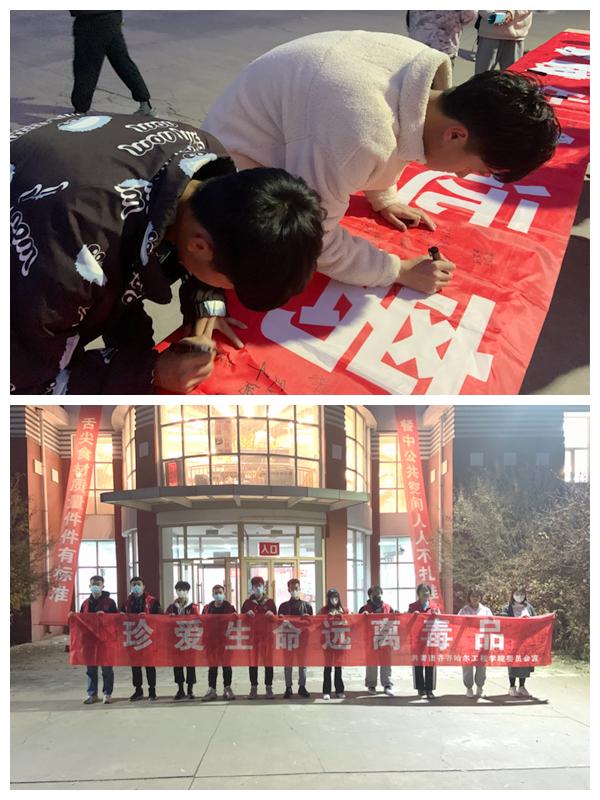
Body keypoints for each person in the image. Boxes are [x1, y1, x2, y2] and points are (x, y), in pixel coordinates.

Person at [203, 30, 559, 292]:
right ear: (455, 135)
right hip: (231, 170)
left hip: (294, 131)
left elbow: (401, 132)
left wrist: (383, 195)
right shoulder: (358, 133)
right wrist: (398, 270)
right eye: (476, 168)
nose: (464, 176)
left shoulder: (418, 80)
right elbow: (311, 240)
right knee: (270, 255)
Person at [10, 114, 324, 395]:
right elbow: (27, 382)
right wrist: (151, 372)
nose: (228, 291)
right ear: (199, 247)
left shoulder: (203, 159)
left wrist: (206, 303)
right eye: (231, 284)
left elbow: (138, 262)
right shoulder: (70, 262)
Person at [69, 11, 153, 116]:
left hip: (91, 22)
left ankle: (80, 110)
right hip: (112, 19)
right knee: (122, 62)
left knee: (86, 67)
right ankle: (144, 102)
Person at [120, 576, 162, 701]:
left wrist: (148, 617)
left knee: (150, 665)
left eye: (138, 584)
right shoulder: (126, 602)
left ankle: (152, 691)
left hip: (148, 637)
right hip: (133, 637)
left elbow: (160, 617)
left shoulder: (152, 601)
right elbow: (119, 616)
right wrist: (121, 615)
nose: (136, 587)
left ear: (144, 586)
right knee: (135, 665)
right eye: (133, 584)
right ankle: (138, 690)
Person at [77, 575, 118, 704]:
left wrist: (105, 617)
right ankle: (92, 694)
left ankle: (107, 693)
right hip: (90, 642)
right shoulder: (85, 603)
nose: (95, 586)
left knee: (107, 669)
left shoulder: (110, 603)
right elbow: (81, 621)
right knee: (91, 670)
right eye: (93, 584)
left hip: (106, 641)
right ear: (89, 586)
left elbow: (117, 619)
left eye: (98, 584)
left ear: (102, 586)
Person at [241, 576, 277, 699]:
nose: (257, 588)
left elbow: (276, 619)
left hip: (267, 637)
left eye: (259, 585)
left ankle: (269, 687)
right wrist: (246, 614)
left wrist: (272, 615)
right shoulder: (247, 603)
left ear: (264, 587)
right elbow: (241, 619)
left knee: (268, 662)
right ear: (252, 587)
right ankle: (253, 687)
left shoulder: (270, 602)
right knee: (253, 662)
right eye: (255, 586)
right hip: (253, 637)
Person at [165, 580, 201, 701]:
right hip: (176, 640)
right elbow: (164, 621)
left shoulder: (193, 607)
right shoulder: (171, 607)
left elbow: (198, 621)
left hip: (190, 639)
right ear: (176, 591)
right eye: (179, 590)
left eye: (184, 590)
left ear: (188, 591)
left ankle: (190, 689)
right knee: (177, 665)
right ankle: (180, 689)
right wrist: (169, 619)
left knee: (190, 665)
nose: (181, 592)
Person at [278, 579, 313, 698]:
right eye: (292, 588)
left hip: (302, 639)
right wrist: (281, 618)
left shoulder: (307, 606)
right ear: (288, 589)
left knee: (302, 664)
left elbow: (312, 624)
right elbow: (279, 624)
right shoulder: (283, 607)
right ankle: (288, 687)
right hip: (288, 639)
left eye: (296, 588)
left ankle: (302, 687)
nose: (294, 590)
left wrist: (308, 619)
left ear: (300, 589)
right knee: (288, 664)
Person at [499, 585, 536, 697]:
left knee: (524, 663)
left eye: (522, 594)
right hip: (513, 641)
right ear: (512, 595)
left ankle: (522, 686)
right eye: (517, 594)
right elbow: (504, 621)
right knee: (513, 663)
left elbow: (536, 620)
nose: (519, 596)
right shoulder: (508, 608)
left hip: (526, 641)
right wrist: (517, 621)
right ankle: (512, 686)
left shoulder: (529, 607)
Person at [201, 585, 237, 701]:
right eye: (216, 593)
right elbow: (202, 622)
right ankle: (212, 689)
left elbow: (236, 622)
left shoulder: (230, 608)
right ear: (212, 594)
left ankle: (227, 688)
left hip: (225, 641)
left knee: (226, 666)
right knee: (212, 666)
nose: (218, 595)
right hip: (211, 642)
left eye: (220, 592)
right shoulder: (207, 608)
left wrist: (235, 617)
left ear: (224, 593)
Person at [458, 585, 493, 698]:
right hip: (468, 643)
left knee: (481, 666)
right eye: (473, 596)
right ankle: (469, 688)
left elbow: (492, 625)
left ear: (480, 597)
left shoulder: (486, 610)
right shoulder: (464, 610)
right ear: (469, 597)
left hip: (482, 642)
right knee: (467, 666)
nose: (475, 598)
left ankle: (480, 687)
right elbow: (457, 624)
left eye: (477, 596)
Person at [359, 585, 395, 696]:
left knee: (386, 663)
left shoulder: (388, 608)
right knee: (371, 664)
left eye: (378, 593)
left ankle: (387, 685)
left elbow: (395, 621)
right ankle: (371, 685)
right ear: (369, 596)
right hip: (371, 641)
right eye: (374, 593)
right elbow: (357, 623)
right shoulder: (364, 609)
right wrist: (362, 617)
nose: (377, 595)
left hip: (385, 640)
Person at [407, 10, 478, 64]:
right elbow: (471, 14)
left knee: (415, 76)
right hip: (443, 48)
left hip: (417, 44)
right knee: (440, 77)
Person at [408, 583, 440, 699]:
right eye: (423, 591)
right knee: (418, 663)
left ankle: (429, 689)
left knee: (430, 663)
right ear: (418, 593)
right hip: (417, 640)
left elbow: (441, 621)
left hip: (431, 640)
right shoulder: (412, 606)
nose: (425, 593)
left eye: (427, 591)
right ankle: (420, 688)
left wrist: (437, 615)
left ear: (430, 593)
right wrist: (412, 616)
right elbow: (406, 621)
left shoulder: (434, 607)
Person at [319, 588, 347, 700]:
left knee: (338, 667)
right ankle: (326, 691)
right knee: (328, 667)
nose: (334, 599)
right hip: (328, 643)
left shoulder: (344, 610)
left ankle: (339, 690)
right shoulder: (323, 610)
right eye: (331, 597)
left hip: (340, 642)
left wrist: (342, 617)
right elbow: (317, 623)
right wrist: (327, 617)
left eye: (335, 597)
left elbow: (351, 621)